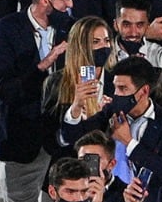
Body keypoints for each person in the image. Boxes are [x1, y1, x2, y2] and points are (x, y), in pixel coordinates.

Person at [0, 0, 72, 202]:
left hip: (61, 142)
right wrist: (43, 66)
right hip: (22, 140)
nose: (70, 3)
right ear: (45, 1)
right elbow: (4, 89)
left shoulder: (70, 28)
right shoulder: (7, 29)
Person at [64, 56, 162, 191]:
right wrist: (76, 106)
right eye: (115, 88)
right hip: (108, 196)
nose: (116, 94)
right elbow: (72, 138)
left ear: (144, 91)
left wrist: (129, 143)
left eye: (122, 88)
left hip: (148, 199)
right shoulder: (111, 112)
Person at [42, 16, 114, 145]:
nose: (104, 46)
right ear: (80, 46)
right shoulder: (57, 83)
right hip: (70, 156)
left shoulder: (117, 82)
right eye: (96, 42)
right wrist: (75, 108)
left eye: (107, 40)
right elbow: (52, 139)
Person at [111, 0, 162, 67]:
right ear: (115, 25)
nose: (133, 33)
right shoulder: (105, 53)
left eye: (139, 25)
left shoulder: (158, 54)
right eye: (126, 25)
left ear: (148, 26)